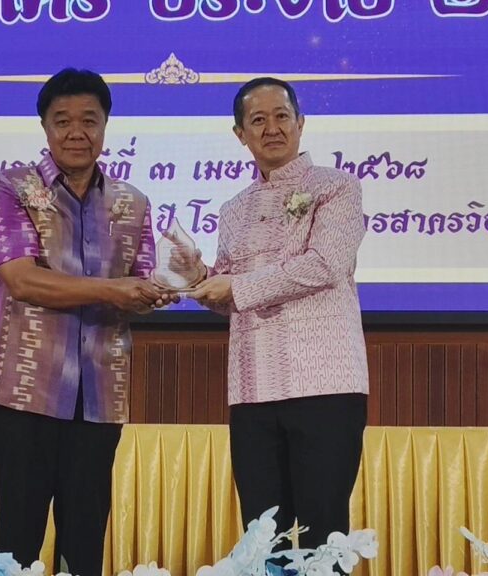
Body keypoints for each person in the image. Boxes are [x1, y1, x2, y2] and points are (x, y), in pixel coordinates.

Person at [0, 67, 169, 576]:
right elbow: (22, 280)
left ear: (105, 126)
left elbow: (142, 284)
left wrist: (170, 286)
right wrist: (114, 290)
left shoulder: (133, 202)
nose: (76, 132)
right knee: (17, 535)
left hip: (100, 392)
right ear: (45, 127)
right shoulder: (11, 187)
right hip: (24, 391)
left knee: (84, 541)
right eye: (63, 121)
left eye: (89, 120)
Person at [189, 77, 369, 547]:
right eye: (258, 120)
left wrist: (236, 287)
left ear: (300, 123)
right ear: (240, 134)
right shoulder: (232, 209)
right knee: (262, 535)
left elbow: (325, 264)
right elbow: (229, 294)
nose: (272, 128)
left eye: (281, 116)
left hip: (325, 383)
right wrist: (197, 277)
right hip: (252, 388)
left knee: (323, 533)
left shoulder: (337, 187)